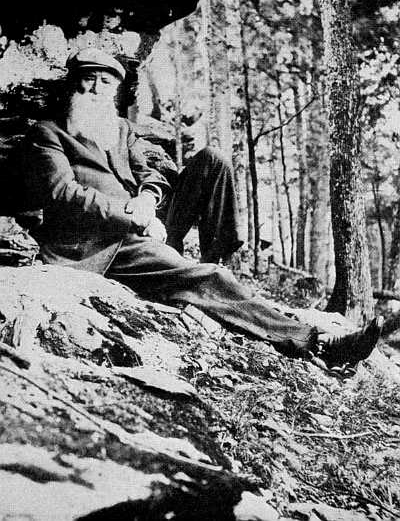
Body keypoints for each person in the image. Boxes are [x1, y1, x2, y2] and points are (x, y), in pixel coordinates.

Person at [22, 48, 382, 373]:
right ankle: (314, 342)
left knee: (214, 161)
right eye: (89, 80)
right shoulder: (48, 133)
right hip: (99, 243)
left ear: (115, 90)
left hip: (142, 225)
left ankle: (212, 263)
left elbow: (150, 172)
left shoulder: (118, 129)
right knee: (209, 278)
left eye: (106, 82)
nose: (97, 89)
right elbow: (63, 193)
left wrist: (148, 199)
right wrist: (131, 214)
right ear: (74, 85)